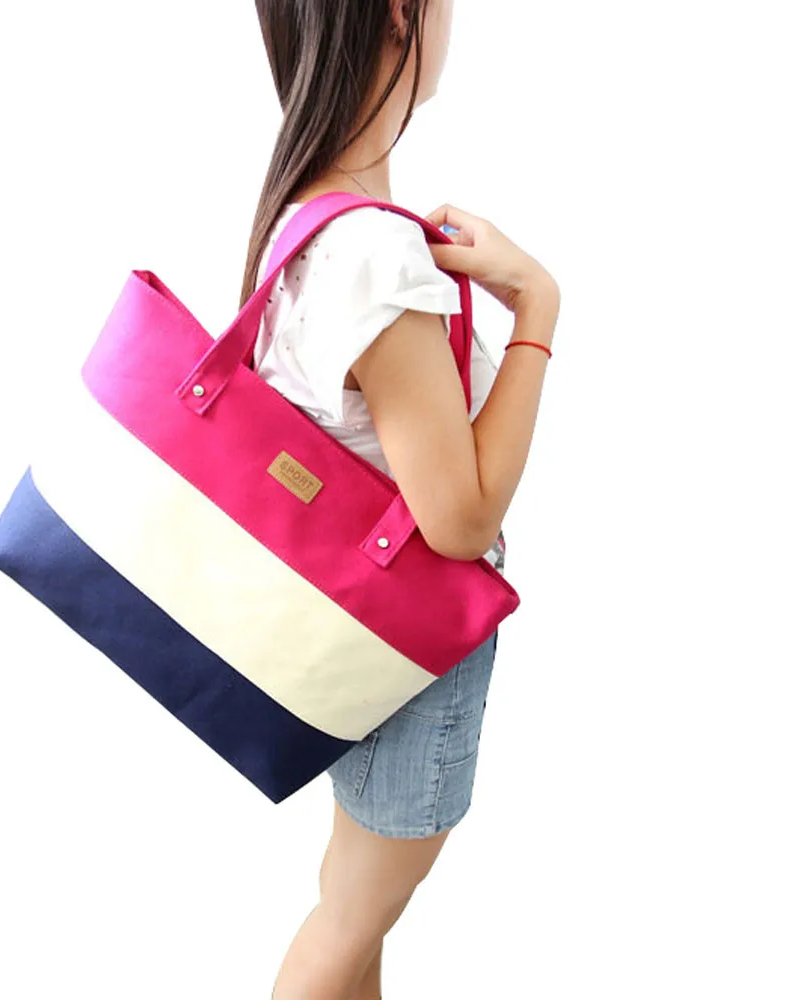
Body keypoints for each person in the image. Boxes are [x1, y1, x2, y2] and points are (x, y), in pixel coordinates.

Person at [242, 3, 560, 997]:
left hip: (347, 639)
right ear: (397, 13)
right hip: (411, 656)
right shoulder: (374, 255)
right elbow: (459, 521)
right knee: (342, 928)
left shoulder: (303, 217)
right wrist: (537, 308)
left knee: (352, 917)